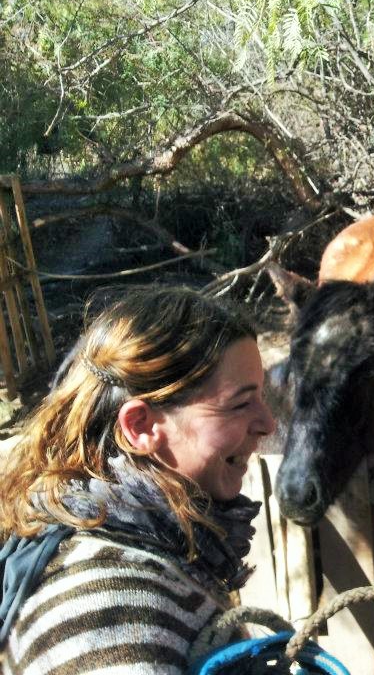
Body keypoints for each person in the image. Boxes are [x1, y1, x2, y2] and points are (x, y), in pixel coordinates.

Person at [0, 286, 277, 675]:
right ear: (141, 426)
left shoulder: (146, 550)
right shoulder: (106, 610)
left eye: (262, 397)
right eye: (240, 403)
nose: (268, 424)